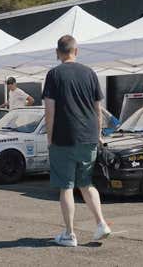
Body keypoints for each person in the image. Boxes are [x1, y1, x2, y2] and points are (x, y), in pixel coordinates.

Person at [42, 35, 111, 247]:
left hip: (64, 137)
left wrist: (50, 137)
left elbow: (49, 110)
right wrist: (98, 133)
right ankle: (101, 224)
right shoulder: (90, 73)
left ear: (57, 52)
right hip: (89, 136)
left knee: (66, 187)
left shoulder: (54, 74)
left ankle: (70, 234)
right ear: (76, 51)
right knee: (86, 183)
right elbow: (97, 109)